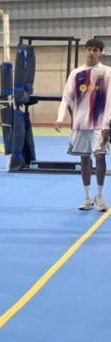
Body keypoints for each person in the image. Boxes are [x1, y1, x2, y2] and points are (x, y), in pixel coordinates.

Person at [54, 38, 111, 212]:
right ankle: (87, 197)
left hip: (100, 124)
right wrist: (60, 117)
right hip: (80, 124)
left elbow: (110, 100)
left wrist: (107, 124)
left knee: (100, 157)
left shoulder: (107, 72)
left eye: (96, 49)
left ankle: (100, 195)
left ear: (100, 52)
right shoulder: (76, 73)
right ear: (85, 51)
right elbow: (66, 97)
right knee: (84, 159)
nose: (92, 52)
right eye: (89, 49)